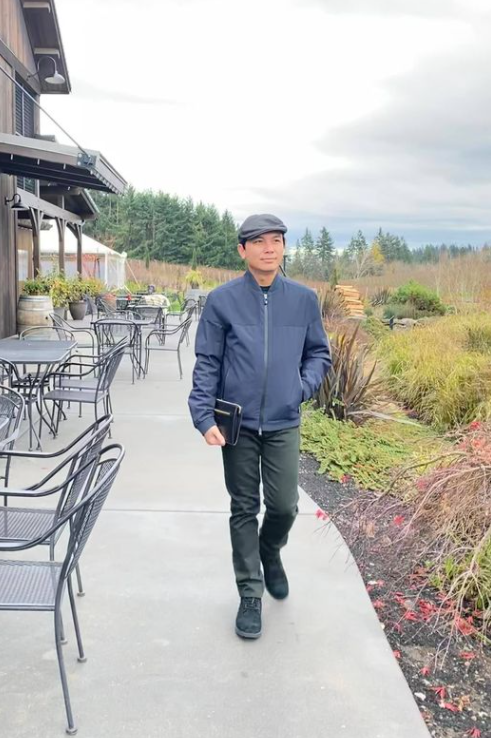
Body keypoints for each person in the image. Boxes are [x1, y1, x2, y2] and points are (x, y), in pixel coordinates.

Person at [188, 214, 331, 639]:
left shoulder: (304, 300)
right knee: (244, 507)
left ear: (284, 247)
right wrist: (203, 416)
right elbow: (208, 361)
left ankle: (270, 550)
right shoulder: (223, 301)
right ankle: (250, 593)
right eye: (259, 241)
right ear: (242, 250)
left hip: (284, 421)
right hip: (239, 423)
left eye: (276, 241)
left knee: (285, 506)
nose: (269, 248)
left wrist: (300, 388)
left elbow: (318, 354)